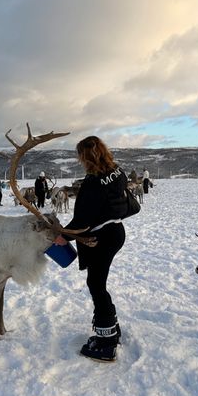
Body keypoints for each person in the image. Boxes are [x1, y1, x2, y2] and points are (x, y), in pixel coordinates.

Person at [55, 136, 128, 362]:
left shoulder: (92, 183)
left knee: (96, 284)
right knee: (98, 282)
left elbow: (83, 220)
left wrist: (61, 234)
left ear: (85, 157)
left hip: (100, 238)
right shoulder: (117, 171)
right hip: (116, 232)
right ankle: (111, 326)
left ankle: (106, 342)